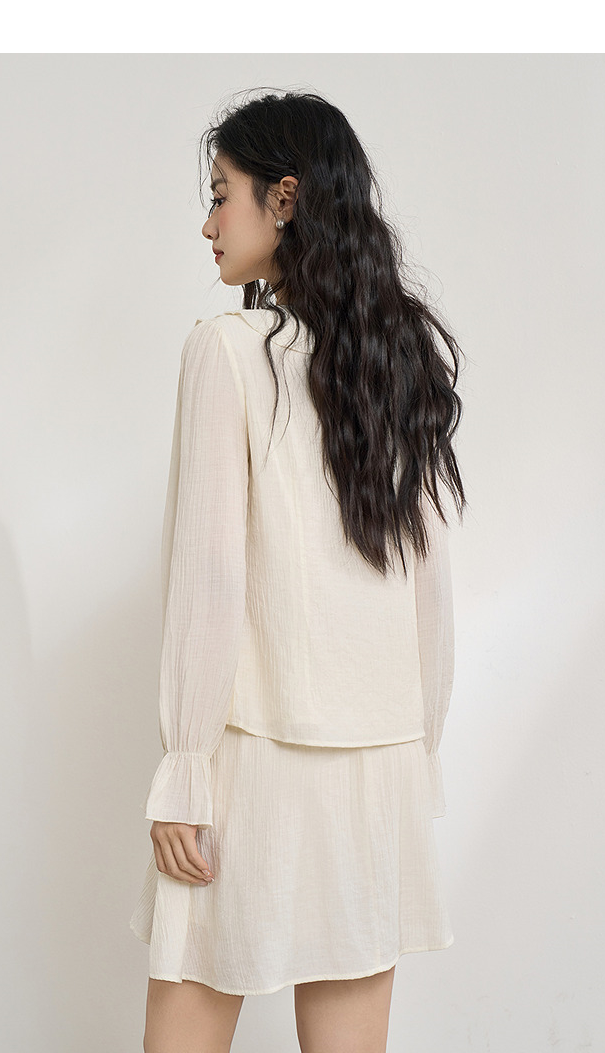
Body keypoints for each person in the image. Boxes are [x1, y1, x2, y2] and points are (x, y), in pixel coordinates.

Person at [129, 88, 467, 1053]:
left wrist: (185, 772)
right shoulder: (400, 362)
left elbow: (210, 580)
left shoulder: (228, 351)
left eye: (219, 195)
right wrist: (418, 749)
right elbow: (431, 588)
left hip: (254, 756)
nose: (207, 224)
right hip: (378, 764)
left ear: (283, 199)